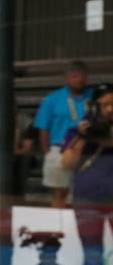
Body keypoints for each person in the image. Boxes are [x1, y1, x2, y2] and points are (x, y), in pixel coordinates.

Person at [60, 84, 113, 265]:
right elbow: (67, 164)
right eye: (105, 105)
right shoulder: (78, 131)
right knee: (92, 255)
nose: (110, 109)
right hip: (87, 200)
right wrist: (83, 137)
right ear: (94, 107)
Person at [35, 60, 92, 208]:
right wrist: (49, 152)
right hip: (60, 148)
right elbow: (43, 129)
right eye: (75, 76)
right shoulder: (52, 100)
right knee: (60, 193)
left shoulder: (93, 97)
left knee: (85, 194)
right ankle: (56, 227)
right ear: (67, 78)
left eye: (82, 76)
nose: (80, 79)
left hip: (88, 150)